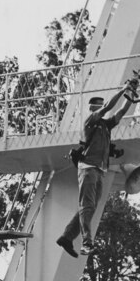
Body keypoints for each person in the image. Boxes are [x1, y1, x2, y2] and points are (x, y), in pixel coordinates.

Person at [56, 82, 135, 257]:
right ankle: (87, 242)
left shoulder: (105, 126)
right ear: (95, 109)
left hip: (99, 170)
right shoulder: (90, 121)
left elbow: (120, 112)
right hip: (88, 168)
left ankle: (67, 237)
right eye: (100, 107)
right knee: (87, 205)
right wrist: (123, 89)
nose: (103, 110)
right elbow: (109, 107)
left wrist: (131, 96)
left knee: (90, 207)